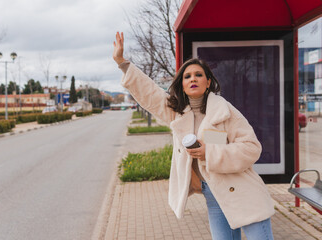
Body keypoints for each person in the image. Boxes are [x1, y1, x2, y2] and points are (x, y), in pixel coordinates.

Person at [113, 32, 275, 240]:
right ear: (182, 84)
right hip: (212, 194)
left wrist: (210, 151)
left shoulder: (225, 111)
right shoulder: (178, 113)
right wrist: (122, 62)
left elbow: (252, 148)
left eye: (198, 75)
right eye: (187, 76)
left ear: (208, 82)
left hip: (243, 192)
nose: (193, 79)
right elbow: (150, 93)